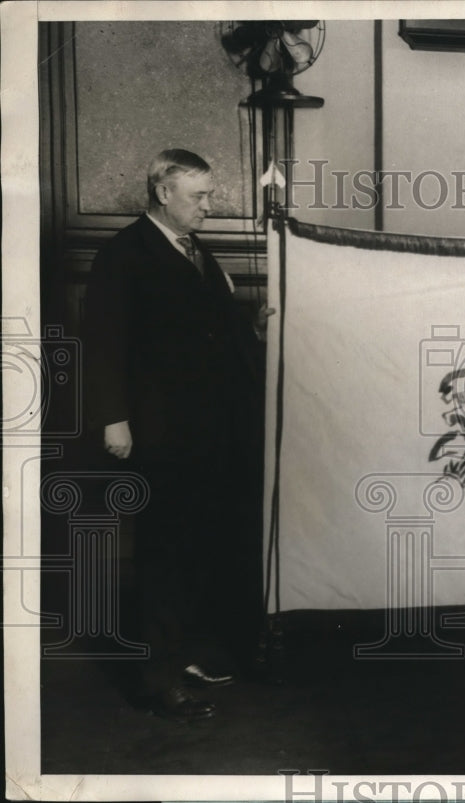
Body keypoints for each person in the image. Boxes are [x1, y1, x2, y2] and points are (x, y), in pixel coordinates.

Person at [83, 149, 264, 720]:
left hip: (207, 431)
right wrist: (113, 417)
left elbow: (204, 329)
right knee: (163, 552)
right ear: (163, 193)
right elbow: (103, 340)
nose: (209, 207)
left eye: (209, 195)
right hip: (159, 433)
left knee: (196, 547)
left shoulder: (195, 251)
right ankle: (157, 680)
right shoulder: (123, 254)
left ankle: (179, 655)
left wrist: (249, 326)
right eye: (199, 197)